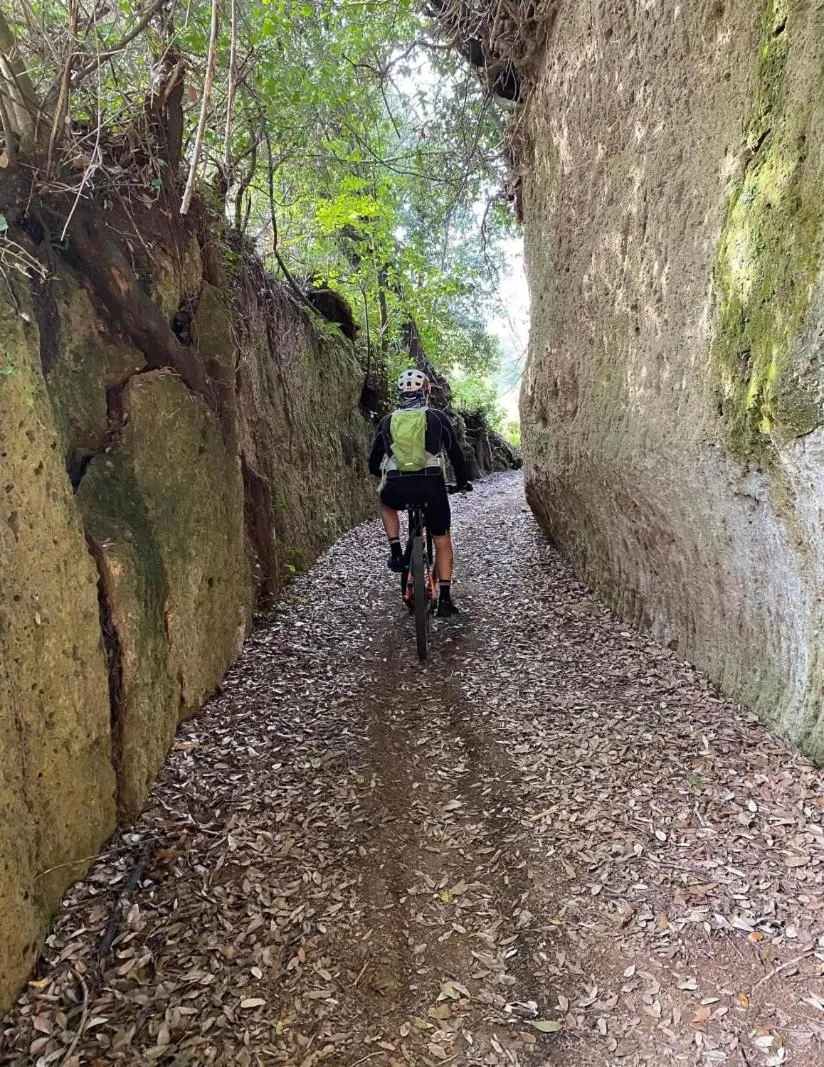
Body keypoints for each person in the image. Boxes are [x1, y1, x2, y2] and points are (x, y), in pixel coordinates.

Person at [368, 368, 471, 617]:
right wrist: (462, 482)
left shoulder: (388, 421)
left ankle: (396, 552)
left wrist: (382, 474)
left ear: (400, 394)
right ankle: (445, 598)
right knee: (442, 540)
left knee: (385, 502)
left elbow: (373, 462)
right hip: (431, 485)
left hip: (397, 486)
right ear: (425, 391)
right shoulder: (437, 418)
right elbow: (455, 454)